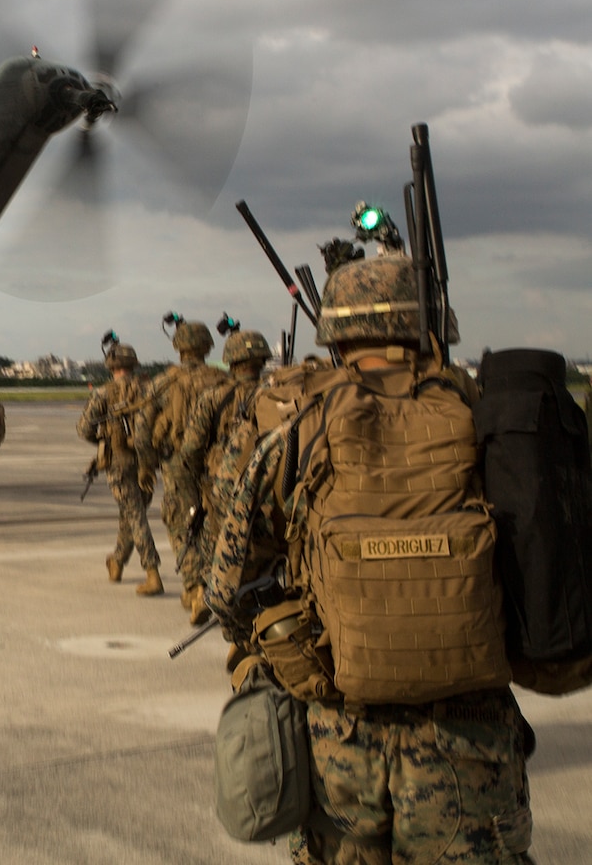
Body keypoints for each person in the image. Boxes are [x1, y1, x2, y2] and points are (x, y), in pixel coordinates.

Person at [207, 253, 533, 863]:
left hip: (339, 734)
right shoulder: (483, 420)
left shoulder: (295, 428)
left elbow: (227, 584)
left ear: (336, 332)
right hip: (472, 738)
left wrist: (287, 651)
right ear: (428, 323)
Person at [175, 329, 272, 626]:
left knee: (216, 544)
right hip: (268, 481)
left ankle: (209, 594)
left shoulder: (213, 398)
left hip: (222, 484)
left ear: (230, 361)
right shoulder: (276, 393)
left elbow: (190, 448)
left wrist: (201, 475)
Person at [140, 318, 228, 618]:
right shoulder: (222, 380)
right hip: (216, 462)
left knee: (181, 522)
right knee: (215, 523)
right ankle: (214, 585)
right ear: (207, 347)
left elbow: (142, 431)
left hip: (177, 462)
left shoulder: (163, 382)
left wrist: (147, 465)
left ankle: (194, 587)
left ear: (178, 348)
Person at [77, 342, 163, 595]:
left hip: (119, 462)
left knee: (135, 516)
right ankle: (117, 561)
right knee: (132, 515)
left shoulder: (103, 394)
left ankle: (152, 572)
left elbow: (84, 429)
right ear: (133, 365)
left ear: (112, 366)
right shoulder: (151, 391)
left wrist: (103, 439)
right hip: (147, 462)